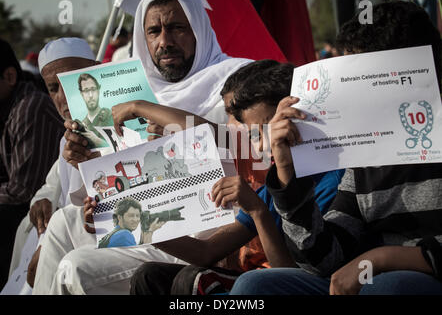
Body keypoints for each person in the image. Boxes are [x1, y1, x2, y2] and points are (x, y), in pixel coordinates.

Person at [33, 0, 251, 295]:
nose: (165, 41)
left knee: (76, 267)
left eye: (177, 28)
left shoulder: (237, 79)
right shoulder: (128, 89)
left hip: (199, 229)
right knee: (62, 223)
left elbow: (250, 148)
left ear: (198, 28)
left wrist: (166, 125)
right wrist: (86, 160)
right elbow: (120, 176)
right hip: (141, 216)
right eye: (154, 31)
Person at [229, 0, 442, 295]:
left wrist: (380, 259)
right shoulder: (367, 160)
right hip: (369, 280)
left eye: (360, 78)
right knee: (256, 285)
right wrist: (289, 174)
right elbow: (325, 260)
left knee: (391, 286)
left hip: (406, 282)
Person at [101, 60, 344, 295]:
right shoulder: (272, 183)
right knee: (150, 276)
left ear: (296, 118)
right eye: (252, 132)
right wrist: (138, 227)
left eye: (266, 129)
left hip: (271, 284)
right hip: (248, 277)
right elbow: (206, 252)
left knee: (198, 281)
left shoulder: (332, 183)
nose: (259, 146)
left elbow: (285, 278)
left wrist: (258, 211)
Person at [5, 37, 101, 291]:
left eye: (71, 83)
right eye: (53, 88)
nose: (63, 97)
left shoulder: (122, 122)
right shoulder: (65, 139)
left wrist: (46, 247)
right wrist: (44, 199)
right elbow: (53, 183)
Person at [0, 39, 65, 294]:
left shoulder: (30, 107)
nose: (62, 97)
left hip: (38, 212)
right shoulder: (1, 113)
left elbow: (22, 188)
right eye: (54, 87)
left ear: (9, 76)